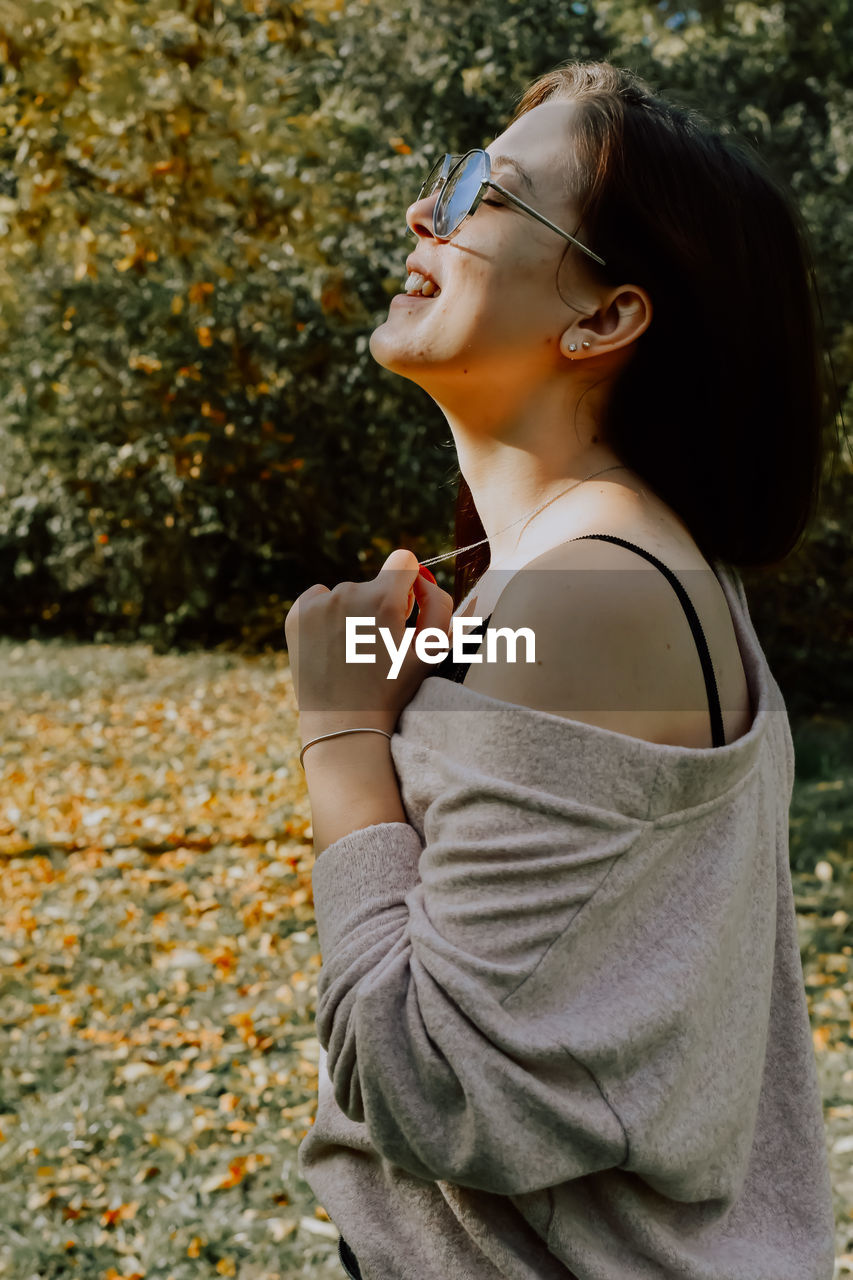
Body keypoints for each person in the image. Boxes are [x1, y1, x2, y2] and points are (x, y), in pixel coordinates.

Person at [286, 61, 836, 1280]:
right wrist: (396, 665)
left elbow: (426, 1083)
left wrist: (337, 736)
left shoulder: (593, 590)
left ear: (603, 319)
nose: (429, 213)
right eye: (450, 175)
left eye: (488, 190)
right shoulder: (603, 572)